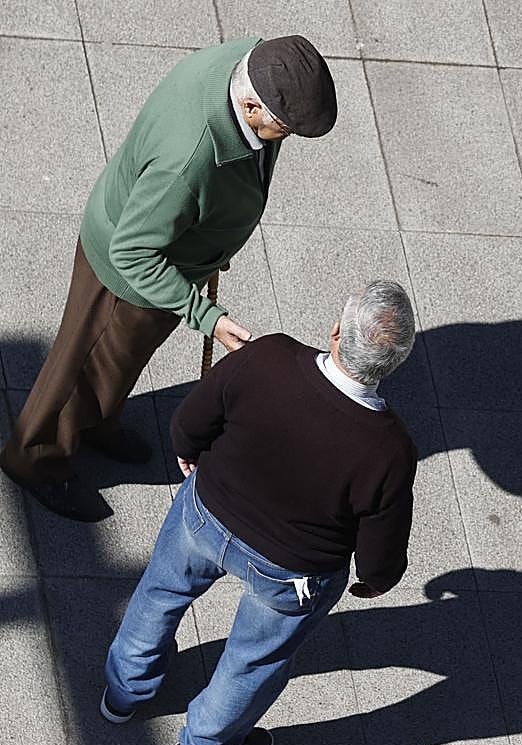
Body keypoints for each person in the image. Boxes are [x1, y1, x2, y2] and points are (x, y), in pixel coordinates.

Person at [0, 35, 338, 522]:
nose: (284, 137)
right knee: (82, 366)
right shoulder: (190, 160)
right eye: (282, 128)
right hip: (126, 279)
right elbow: (133, 252)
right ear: (249, 103)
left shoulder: (246, 66)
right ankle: (35, 458)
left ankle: (96, 422)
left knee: (116, 366)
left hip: (167, 251)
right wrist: (206, 316)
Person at [100, 280, 418, 745]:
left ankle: (124, 691)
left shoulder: (269, 356)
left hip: (206, 513)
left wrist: (190, 450)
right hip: (291, 571)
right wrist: (376, 578)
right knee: (251, 661)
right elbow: (381, 543)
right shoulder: (391, 450)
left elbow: (192, 419)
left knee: (159, 595)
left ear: (336, 332)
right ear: (392, 365)